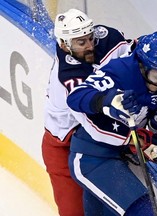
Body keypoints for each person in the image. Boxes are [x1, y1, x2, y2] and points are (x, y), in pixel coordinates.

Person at [66, 31, 157, 215]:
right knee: (144, 212)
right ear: (142, 66)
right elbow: (75, 97)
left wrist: (156, 126)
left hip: (117, 160)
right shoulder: (119, 71)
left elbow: (146, 128)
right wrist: (105, 101)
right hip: (91, 160)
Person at [42, 8, 135, 216]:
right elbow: (94, 126)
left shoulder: (108, 38)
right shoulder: (69, 77)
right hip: (62, 147)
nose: (90, 45)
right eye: (81, 42)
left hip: (94, 145)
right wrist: (132, 139)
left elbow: (133, 55)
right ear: (64, 44)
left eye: (90, 37)